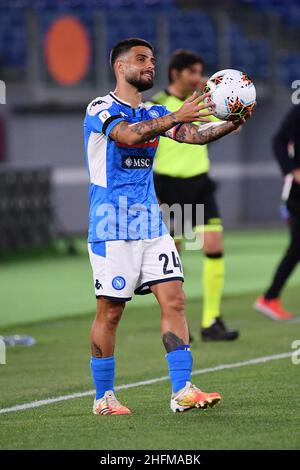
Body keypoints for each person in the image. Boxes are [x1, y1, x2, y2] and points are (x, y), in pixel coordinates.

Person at [83, 38, 251, 416]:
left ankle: (182, 390)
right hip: (111, 225)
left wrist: (231, 122)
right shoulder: (101, 108)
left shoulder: (155, 111)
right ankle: (104, 398)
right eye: (141, 60)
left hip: (151, 224)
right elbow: (128, 135)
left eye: (152, 61)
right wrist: (175, 116)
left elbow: (193, 136)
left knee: (174, 298)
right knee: (110, 312)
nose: (149, 66)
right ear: (119, 66)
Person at [151, 50, 238, 341]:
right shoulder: (157, 106)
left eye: (200, 71)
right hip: (169, 186)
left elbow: (217, 126)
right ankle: (175, 322)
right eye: (193, 72)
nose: (199, 78)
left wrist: (233, 120)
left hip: (200, 183)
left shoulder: (203, 103)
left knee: (213, 244)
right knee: (170, 258)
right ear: (176, 73)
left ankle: (211, 320)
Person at [254, 105, 300, 320]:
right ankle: (270, 298)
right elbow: (278, 140)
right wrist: (292, 170)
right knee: (297, 246)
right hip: (297, 195)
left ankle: (270, 298)